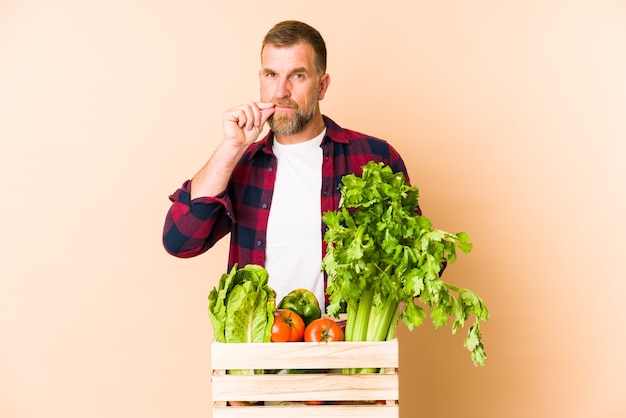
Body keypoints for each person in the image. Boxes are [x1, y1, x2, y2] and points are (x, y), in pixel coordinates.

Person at [162, 20, 412, 310]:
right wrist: (230, 149)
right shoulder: (241, 164)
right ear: (260, 79)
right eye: (271, 74)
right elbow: (179, 242)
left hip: (346, 345)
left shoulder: (374, 158)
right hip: (260, 345)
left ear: (322, 86)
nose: (280, 91)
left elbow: (413, 264)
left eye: (297, 75)